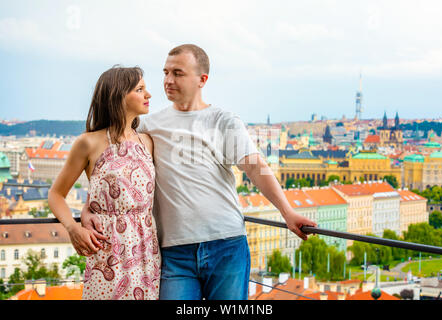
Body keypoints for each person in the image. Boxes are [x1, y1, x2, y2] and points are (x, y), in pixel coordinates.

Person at [82, 44, 317, 300]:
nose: (168, 80)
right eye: (165, 72)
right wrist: (89, 208)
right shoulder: (148, 126)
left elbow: (255, 167)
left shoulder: (223, 121)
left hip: (226, 244)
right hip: (174, 251)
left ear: (202, 79)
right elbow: (113, 168)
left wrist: (287, 212)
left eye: (178, 73)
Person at [48, 66, 161, 300]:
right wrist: (74, 228)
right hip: (107, 252)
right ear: (118, 96)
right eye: (140, 89)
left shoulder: (147, 142)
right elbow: (56, 194)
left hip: (146, 251)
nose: (148, 95)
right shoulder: (88, 143)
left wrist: (87, 206)